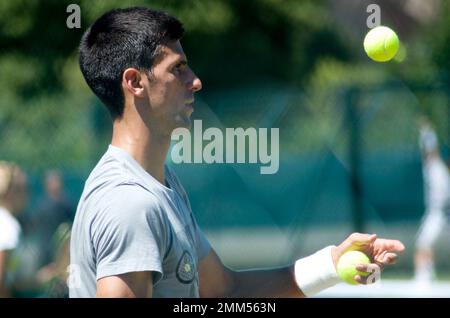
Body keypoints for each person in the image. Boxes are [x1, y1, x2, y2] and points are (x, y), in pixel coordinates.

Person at [69, 7, 405, 298]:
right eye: (178, 68)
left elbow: (223, 292)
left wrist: (330, 264)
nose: (195, 80)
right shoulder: (131, 204)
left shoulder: (160, 186)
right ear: (135, 82)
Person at [414, 119, 450, 285]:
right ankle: (427, 273)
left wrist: (427, 132)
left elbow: (431, 152)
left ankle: (424, 276)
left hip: (439, 213)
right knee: (424, 243)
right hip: (438, 213)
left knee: (423, 243)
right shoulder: (439, 170)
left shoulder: (437, 170)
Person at [0, 161, 28, 297]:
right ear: (10, 192)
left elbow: (12, 280)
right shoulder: (8, 226)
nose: (26, 194)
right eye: (22, 189)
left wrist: (41, 279)